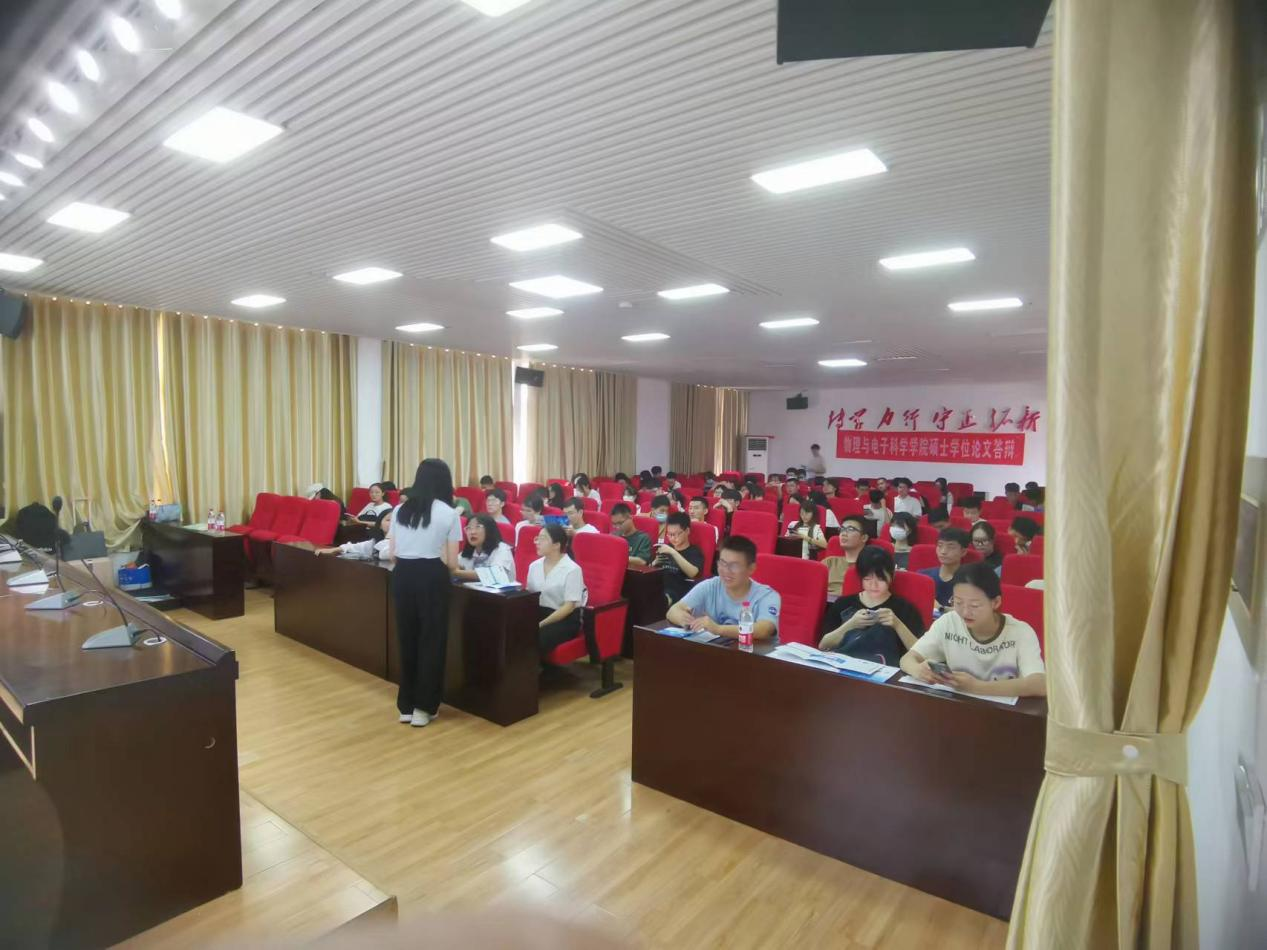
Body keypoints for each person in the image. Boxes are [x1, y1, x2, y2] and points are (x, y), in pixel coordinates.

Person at [387, 459, 461, 728]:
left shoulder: (400, 510)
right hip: (431, 576)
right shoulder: (449, 513)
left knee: (407, 639)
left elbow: (392, 554)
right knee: (431, 641)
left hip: (402, 576)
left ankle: (406, 706)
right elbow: (452, 563)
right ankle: (424, 707)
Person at [899, 562, 1046, 697]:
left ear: (996, 602)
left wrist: (977, 687)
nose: (965, 612)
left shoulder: (1020, 632)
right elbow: (907, 659)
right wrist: (917, 670)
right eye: (958, 602)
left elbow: (1039, 684)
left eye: (974, 605)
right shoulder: (948, 622)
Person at [819, 546, 924, 666]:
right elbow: (823, 645)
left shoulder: (905, 609)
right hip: (844, 667)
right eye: (867, 578)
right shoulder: (843, 603)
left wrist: (897, 624)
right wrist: (851, 624)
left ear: (892, 576)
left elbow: (921, 655)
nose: (873, 585)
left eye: (880, 579)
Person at [665, 536, 780, 641]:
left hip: (751, 654)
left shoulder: (767, 596)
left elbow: (765, 629)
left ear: (751, 568)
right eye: (723, 563)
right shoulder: (710, 586)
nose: (726, 570)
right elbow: (673, 611)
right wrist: (689, 622)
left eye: (734, 566)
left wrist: (718, 629)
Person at [526, 524, 588, 657]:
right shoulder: (534, 566)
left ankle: (530, 669)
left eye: (543, 538)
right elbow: (530, 596)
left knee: (536, 637)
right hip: (540, 612)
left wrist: (540, 624)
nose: (537, 542)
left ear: (556, 545)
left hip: (564, 618)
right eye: (537, 538)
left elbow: (568, 607)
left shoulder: (572, 569)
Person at [653, 512, 704, 604]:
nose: (672, 538)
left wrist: (673, 552)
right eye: (669, 534)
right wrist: (653, 564)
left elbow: (693, 573)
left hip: (678, 591)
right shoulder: (666, 548)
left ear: (687, 531)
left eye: (676, 534)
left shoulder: (694, 552)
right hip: (658, 587)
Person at [919, 526, 971, 611]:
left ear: (963, 552)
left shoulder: (970, 581)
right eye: (940, 546)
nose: (943, 551)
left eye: (951, 547)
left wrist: (941, 608)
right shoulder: (923, 576)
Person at [454, 514, 516, 581]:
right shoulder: (468, 552)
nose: (472, 532)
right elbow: (454, 566)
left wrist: (458, 573)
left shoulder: (502, 549)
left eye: (477, 527)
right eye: (468, 528)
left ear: (489, 529)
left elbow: (495, 574)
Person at [317, 508, 393, 559]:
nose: (392, 523)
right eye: (388, 520)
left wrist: (390, 535)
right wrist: (334, 549)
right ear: (379, 524)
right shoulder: (376, 541)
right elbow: (357, 547)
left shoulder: (398, 543)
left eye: (395, 521)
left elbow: (384, 554)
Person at [610, 502, 652, 566]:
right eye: (614, 524)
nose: (617, 527)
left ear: (630, 518)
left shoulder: (643, 538)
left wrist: (618, 558)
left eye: (620, 523)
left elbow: (642, 561)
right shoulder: (613, 536)